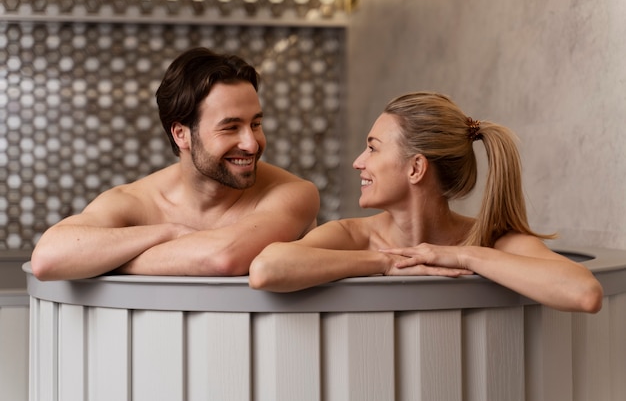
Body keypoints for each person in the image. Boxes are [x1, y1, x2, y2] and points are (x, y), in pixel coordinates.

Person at [249, 91, 603, 313]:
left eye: (372, 148)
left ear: (416, 168)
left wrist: (465, 255)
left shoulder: (493, 240)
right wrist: (385, 264)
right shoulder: (355, 237)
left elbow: (584, 293)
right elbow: (267, 269)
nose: (359, 161)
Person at [31, 47, 320, 281]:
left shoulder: (293, 194)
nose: (252, 143)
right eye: (231, 128)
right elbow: (48, 258)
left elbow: (223, 258)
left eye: (255, 124)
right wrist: (170, 232)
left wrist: (103, 261)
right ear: (181, 134)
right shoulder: (137, 202)